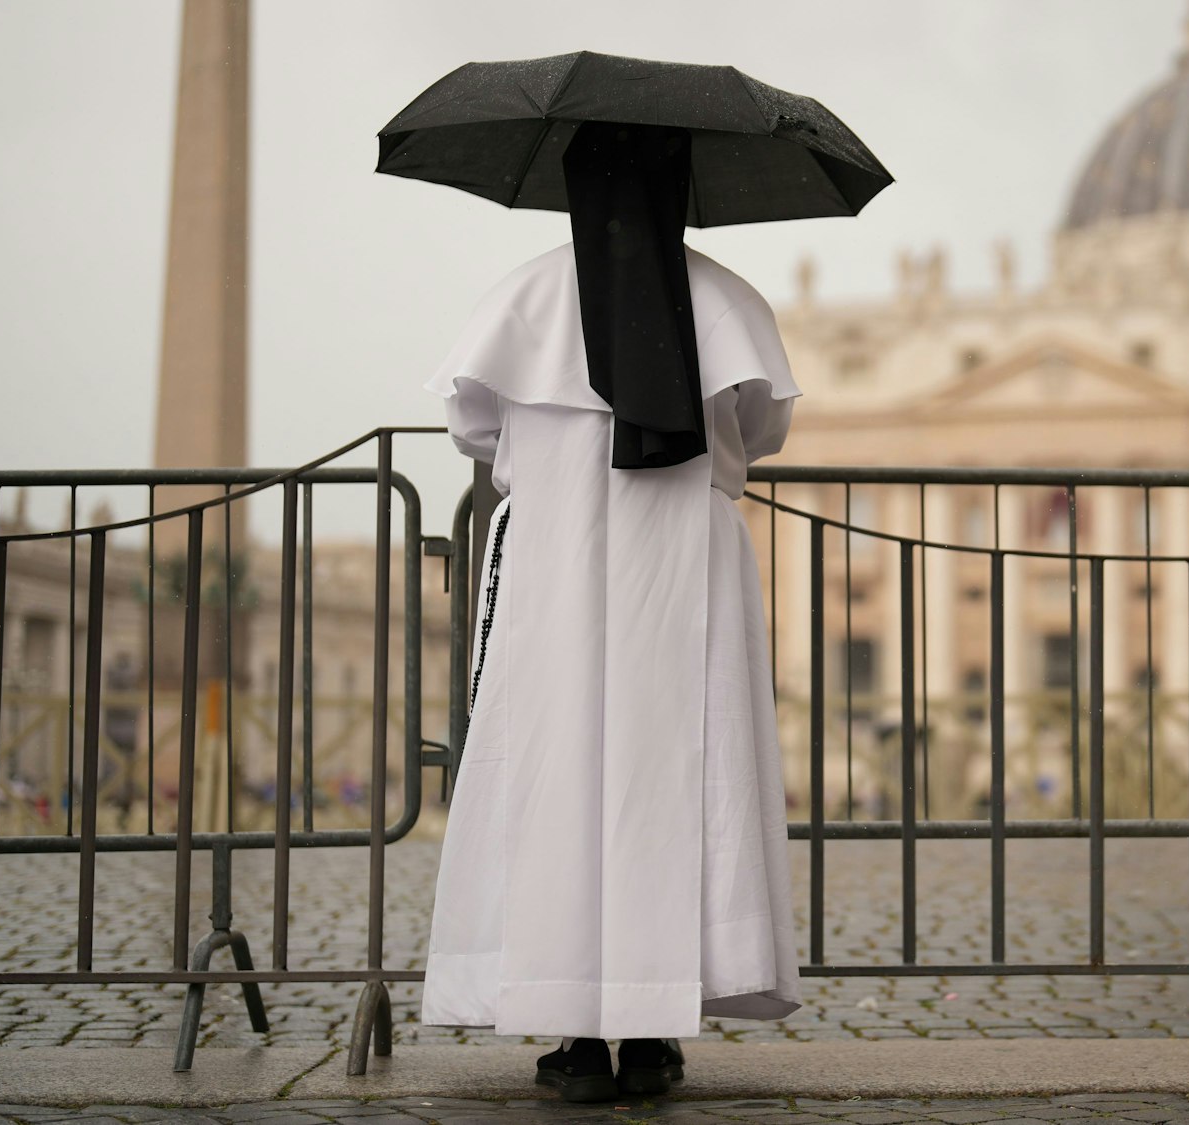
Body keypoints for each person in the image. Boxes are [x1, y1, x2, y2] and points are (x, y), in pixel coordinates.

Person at [420, 123, 803, 1105]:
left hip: (556, 565)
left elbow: (471, 421)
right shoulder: (723, 299)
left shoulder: (526, 296)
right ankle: (650, 1028)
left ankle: (575, 1036)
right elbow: (761, 427)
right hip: (686, 573)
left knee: (555, 777)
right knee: (676, 782)